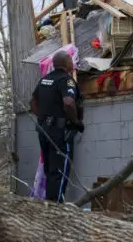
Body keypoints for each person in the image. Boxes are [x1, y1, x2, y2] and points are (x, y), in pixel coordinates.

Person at [31, 50, 84, 203]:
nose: (72, 62)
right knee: (60, 172)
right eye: (69, 59)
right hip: (60, 133)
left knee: (50, 170)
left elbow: (33, 102)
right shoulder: (65, 80)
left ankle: (50, 205)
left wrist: (42, 119)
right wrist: (75, 122)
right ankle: (57, 210)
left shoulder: (44, 80)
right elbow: (68, 102)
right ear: (64, 63)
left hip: (44, 132)